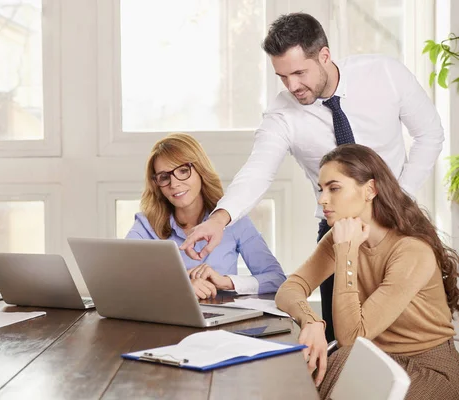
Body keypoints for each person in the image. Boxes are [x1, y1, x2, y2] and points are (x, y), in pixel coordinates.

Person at [180, 12, 444, 342]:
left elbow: (430, 134)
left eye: (299, 73)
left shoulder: (385, 74)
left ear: (324, 55)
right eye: (282, 76)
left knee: (407, 330)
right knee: (342, 337)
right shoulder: (283, 112)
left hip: (399, 219)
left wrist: (393, 198)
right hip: (337, 231)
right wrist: (218, 220)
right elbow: (257, 172)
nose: (292, 86)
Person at [275, 144, 459, 399]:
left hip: (426, 368)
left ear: (370, 190)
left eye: (334, 188)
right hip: (368, 358)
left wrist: (346, 254)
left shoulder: (411, 251)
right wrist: (312, 321)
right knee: (290, 382)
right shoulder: (340, 235)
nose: (322, 199)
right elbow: (290, 288)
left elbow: (351, 338)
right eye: (321, 189)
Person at [126, 133, 285, 299]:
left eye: (183, 171)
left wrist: (226, 282)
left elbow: (277, 279)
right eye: (164, 177)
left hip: (223, 320)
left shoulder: (233, 220)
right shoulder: (146, 225)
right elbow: (123, 277)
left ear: (201, 170)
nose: (174, 184)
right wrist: (180, 284)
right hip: (164, 320)